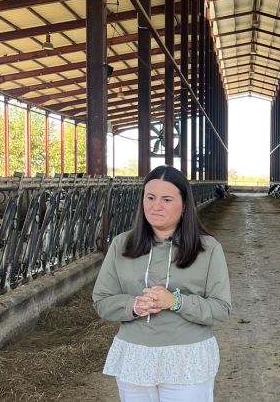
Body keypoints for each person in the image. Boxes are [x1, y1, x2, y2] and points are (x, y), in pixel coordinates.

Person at [93, 165, 231, 401]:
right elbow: (101, 300)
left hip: (187, 357)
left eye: (167, 199)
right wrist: (133, 305)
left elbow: (220, 310)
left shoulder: (208, 249)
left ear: (185, 204)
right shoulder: (121, 245)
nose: (156, 206)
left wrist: (176, 301)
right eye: (150, 197)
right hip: (135, 355)